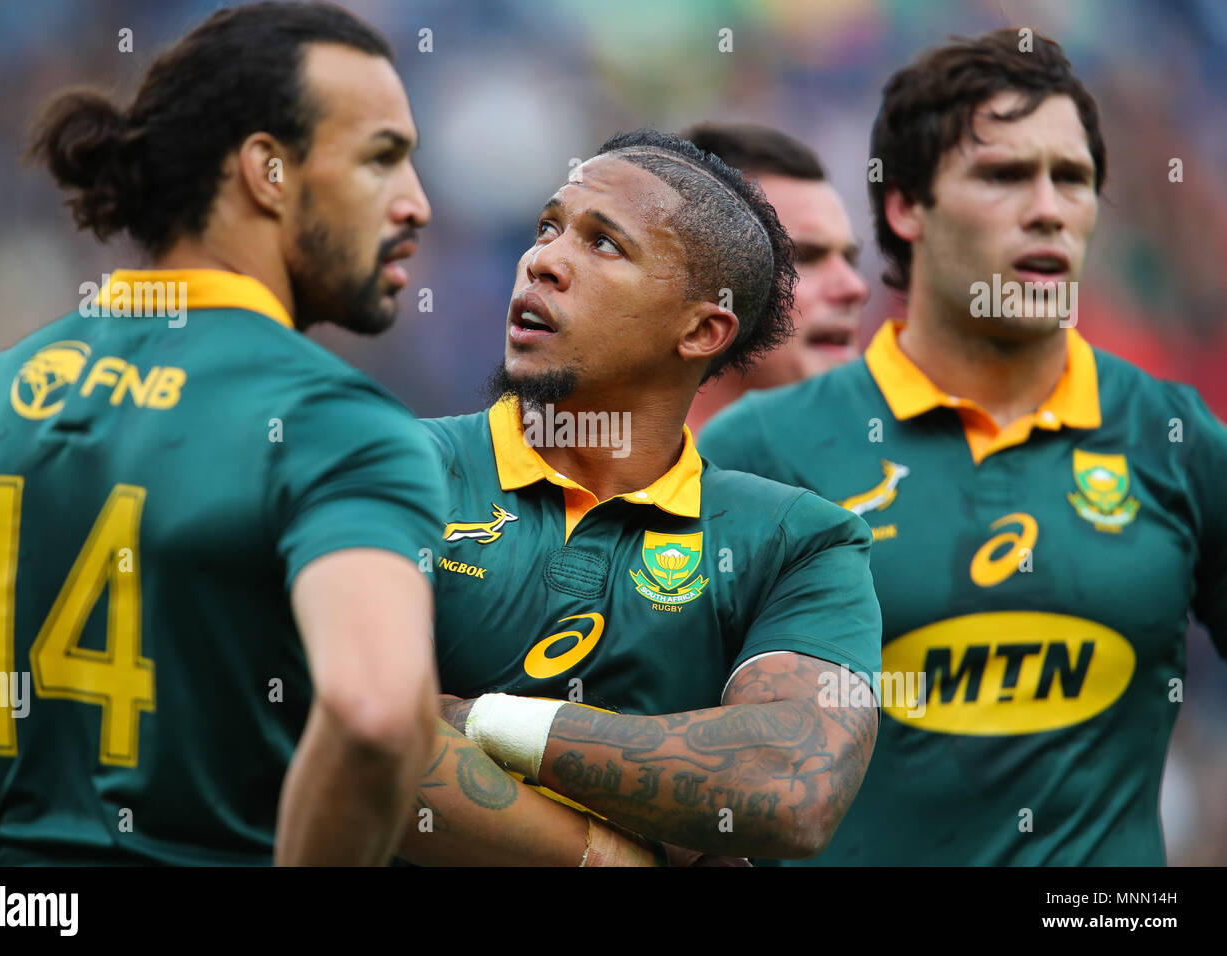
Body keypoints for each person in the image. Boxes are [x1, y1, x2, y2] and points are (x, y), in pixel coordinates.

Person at [0, 2, 445, 866]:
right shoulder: (335, 423)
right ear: (266, 171)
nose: (418, 204)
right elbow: (376, 713)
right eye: (382, 157)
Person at [699, 28, 1227, 864]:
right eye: (1004, 175)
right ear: (906, 205)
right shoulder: (762, 451)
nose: (1049, 206)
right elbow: (667, 742)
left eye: (1075, 180)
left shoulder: (1175, 438)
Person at [402, 129, 882, 865]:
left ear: (701, 329)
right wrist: (614, 856)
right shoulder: (391, 471)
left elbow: (790, 784)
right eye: (548, 228)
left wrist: (471, 719)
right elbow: (340, 736)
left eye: (604, 245)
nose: (543, 261)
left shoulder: (798, 541)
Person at [682, 123, 870, 431]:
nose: (856, 288)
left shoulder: (890, 465)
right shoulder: (585, 465)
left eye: (850, 260)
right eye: (805, 257)